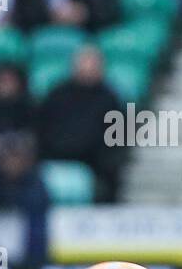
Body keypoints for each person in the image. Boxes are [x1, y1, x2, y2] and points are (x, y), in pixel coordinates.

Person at [35, 47, 126, 202]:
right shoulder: (57, 95)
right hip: (54, 157)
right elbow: (42, 128)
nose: (88, 67)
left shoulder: (110, 99)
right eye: (84, 62)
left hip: (94, 164)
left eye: (92, 63)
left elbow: (116, 138)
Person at [0, 135, 50, 262]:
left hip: (30, 240)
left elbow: (39, 203)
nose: (12, 163)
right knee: (0, 266)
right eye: (7, 158)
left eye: (16, 157)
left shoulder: (33, 178)